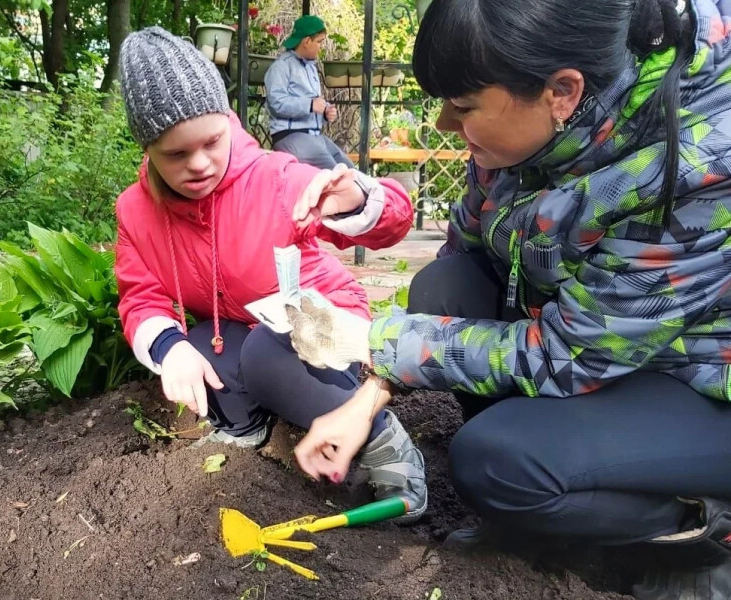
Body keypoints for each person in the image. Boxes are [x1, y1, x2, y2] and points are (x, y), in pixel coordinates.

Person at [284, 0, 731, 597]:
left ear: (562, 92)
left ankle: (701, 531)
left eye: (463, 107)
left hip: (702, 380)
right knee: (445, 287)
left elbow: (566, 357)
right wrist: (371, 393)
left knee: (496, 465)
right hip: (604, 346)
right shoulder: (522, 127)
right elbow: (463, 250)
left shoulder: (694, 165)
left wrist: (373, 339)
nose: (445, 124)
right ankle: (550, 498)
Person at [115, 27, 426, 520]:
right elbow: (141, 297)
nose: (199, 164)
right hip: (240, 330)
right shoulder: (136, 212)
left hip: (321, 329)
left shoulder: (273, 177)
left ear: (227, 121)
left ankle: (379, 436)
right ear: (147, 148)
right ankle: (250, 426)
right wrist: (165, 347)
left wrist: (356, 199)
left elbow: (392, 222)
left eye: (212, 142)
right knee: (195, 346)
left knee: (264, 349)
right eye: (176, 154)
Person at [264, 15, 354, 170]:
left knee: (350, 169)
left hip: (314, 136)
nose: (321, 47)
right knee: (335, 173)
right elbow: (276, 103)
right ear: (306, 42)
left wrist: (325, 113)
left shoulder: (311, 67)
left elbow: (313, 104)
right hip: (289, 136)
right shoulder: (281, 67)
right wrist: (310, 105)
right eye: (319, 42)